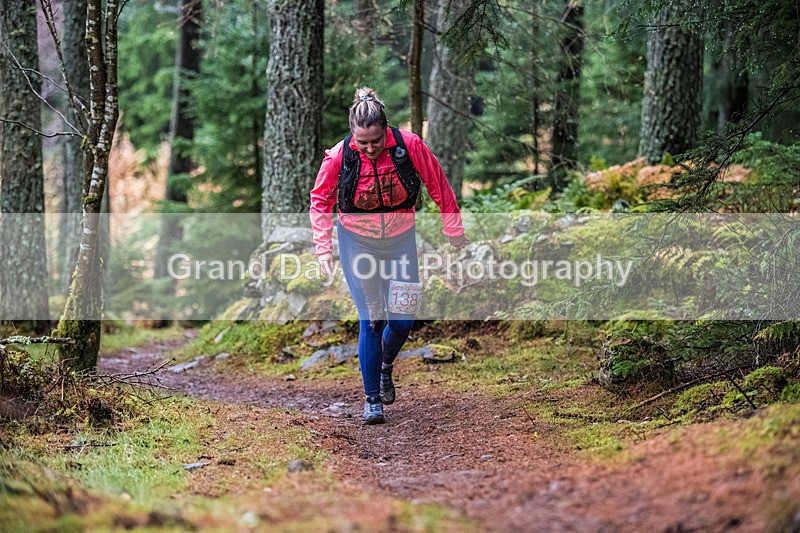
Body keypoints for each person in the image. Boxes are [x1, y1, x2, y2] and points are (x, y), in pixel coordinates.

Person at [309, 87, 468, 424]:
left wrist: (453, 228)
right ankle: (372, 401)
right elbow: (320, 201)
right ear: (353, 134)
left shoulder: (409, 146)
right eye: (362, 143)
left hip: (400, 241)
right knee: (372, 318)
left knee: (402, 320)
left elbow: (438, 184)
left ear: (385, 129)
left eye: (376, 141)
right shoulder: (339, 156)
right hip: (358, 243)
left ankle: (384, 367)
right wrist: (323, 248)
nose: (369, 148)